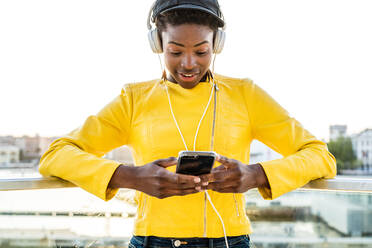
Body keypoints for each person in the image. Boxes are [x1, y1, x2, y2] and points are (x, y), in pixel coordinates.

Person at [39, 0, 337, 247]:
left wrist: (257, 175)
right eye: (176, 51)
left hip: (229, 241)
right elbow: (56, 155)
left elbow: (320, 156)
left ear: (216, 45)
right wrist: (130, 177)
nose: (189, 64)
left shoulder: (245, 95)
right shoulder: (134, 99)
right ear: (158, 44)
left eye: (201, 51)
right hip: (152, 241)